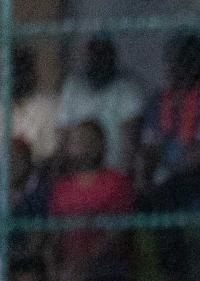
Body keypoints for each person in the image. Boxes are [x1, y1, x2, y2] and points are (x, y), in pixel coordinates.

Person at [138, 31, 200, 281]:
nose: (175, 67)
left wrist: (168, 173)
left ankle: (176, 277)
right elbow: (149, 148)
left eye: (183, 60)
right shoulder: (159, 101)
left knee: (167, 195)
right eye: (172, 60)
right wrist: (146, 177)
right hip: (169, 179)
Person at [46, 120, 135, 281]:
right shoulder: (62, 188)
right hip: (68, 268)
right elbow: (53, 235)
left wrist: (84, 265)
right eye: (77, 140)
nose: (83, 145)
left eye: (89, 140)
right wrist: (53, 269)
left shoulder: (117, 182)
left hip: (106, 268)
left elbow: (115, 234)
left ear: (101, 144)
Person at [55, 35, 144, 176]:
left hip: (115, 169)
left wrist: (128, 172)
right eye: (92, 56)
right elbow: (63, 134)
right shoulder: (74, 85)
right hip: (78, 170)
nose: (96, 61)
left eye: (101, 56)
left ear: (111, 59)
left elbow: (131, 139)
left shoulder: (128, 87)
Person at [0, 46, 59, 179]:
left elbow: (51, 153)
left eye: (24, 71)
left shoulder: (46, 106)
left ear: (33, 74)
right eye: (14, 73)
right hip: (3, 177)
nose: (19, 78)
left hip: (37, 176)